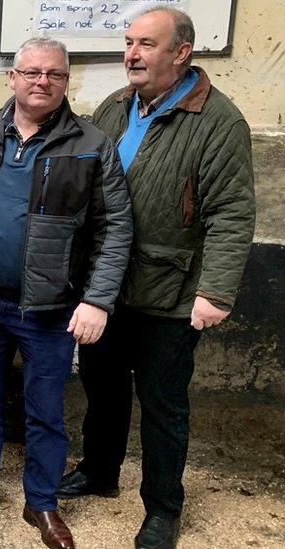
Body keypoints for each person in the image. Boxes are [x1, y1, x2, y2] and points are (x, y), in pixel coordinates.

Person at [56, 8, 256, 549]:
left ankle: (163, 507)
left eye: (146, 44)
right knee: (102, 388)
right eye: (129, 42)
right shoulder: (115, 107)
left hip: (171, 291)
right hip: (106, 286)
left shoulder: (218, 121)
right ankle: (100, 471)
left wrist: (214, 290)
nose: (132, 54)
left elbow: (231, 214)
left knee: (163, 403)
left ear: (182, 53)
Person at [0, 38, 133, 549]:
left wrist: (97, 299)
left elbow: (115, 229)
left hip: (52, 310)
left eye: (55, 75)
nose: (42, 82)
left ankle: (41, 502)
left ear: (67, 82)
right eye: (32, 72)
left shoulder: (91, 144)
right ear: (12, 78)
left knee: (45, 410)